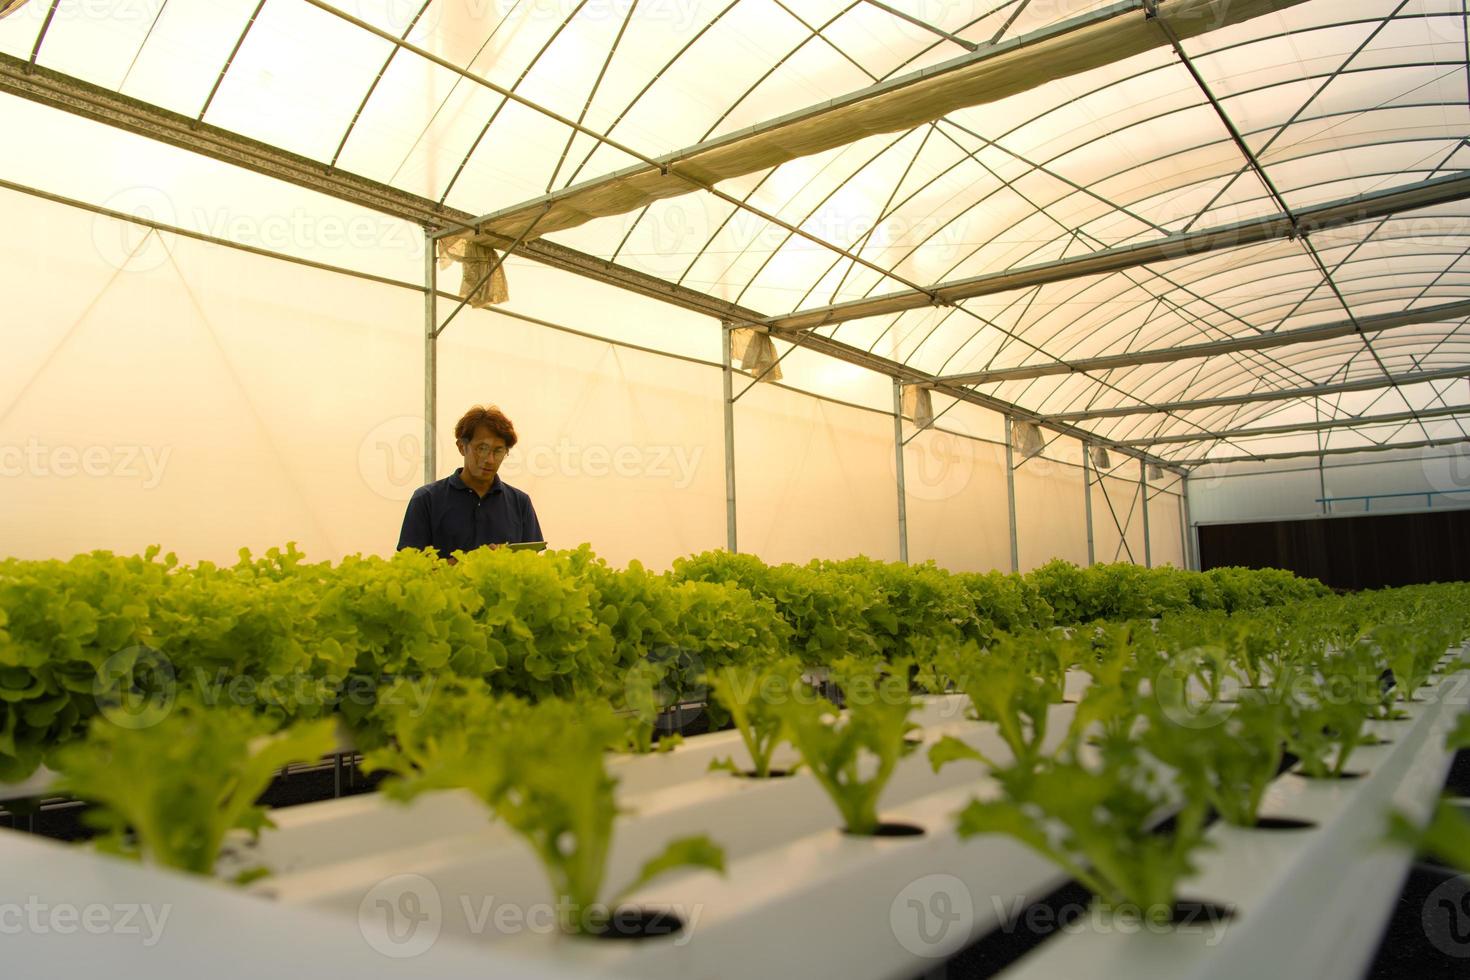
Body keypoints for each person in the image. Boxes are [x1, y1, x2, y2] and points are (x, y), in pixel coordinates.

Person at [396, 405, 543, 562]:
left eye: (498, 451)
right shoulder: (426, 499)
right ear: (461, 447)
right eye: (482, 449)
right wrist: (470, 562)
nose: (490, 460)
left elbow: (530, 564)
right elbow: (409, 567)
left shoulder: (520, 503)